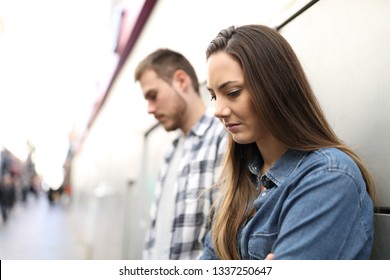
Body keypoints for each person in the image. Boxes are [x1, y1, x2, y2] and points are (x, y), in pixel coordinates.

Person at [200, 24, 375, 260]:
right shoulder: (239, 183)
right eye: (213, 96)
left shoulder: (328, 176)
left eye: (232, 92)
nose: (218, 110)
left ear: (273, 87)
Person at [134, 48, 227, 259]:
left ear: (181, 81)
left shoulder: (222, 136)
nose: (150, 108)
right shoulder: (171, 151)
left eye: (153, 95)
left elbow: (227, 236)